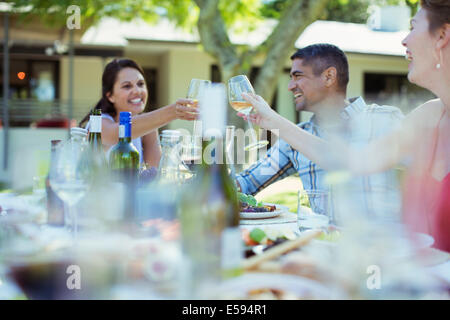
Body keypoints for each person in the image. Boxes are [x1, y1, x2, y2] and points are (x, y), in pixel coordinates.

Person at [240, 0, 450, 252]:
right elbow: (352, 162)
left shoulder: (387, 119)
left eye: (413, 27)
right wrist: (272, 121)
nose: (404, 40)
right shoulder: (427, 116)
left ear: (442, 35)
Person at [235, 43, 404, 218]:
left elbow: (353, 163)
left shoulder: (385, 119)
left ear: (329, 77)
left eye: (298, 76)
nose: (290, 86)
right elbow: (245, 183)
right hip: (323, 243)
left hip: (381, 243)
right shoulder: (295, 138)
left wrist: (276, 121)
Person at [79, 58, 198, 167]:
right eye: (127, 86)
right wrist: (173, 112)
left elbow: (154, 172)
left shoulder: (148, 128)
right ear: (110, 96)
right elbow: (115, 135)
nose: (137, 91)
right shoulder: (98, 123)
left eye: (141, 84)